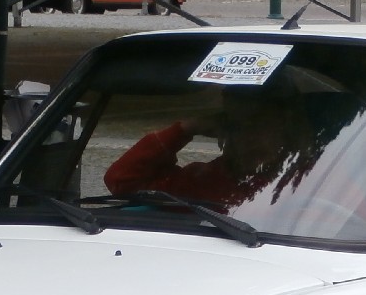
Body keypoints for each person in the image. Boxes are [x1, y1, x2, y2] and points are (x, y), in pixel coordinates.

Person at [103, 88, 317, 208]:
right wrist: (186, 129)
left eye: (259, 125)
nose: (247, 137)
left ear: (289, 130)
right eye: (236, 126)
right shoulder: (203, 179)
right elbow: (122, 183)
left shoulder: (314, 179)